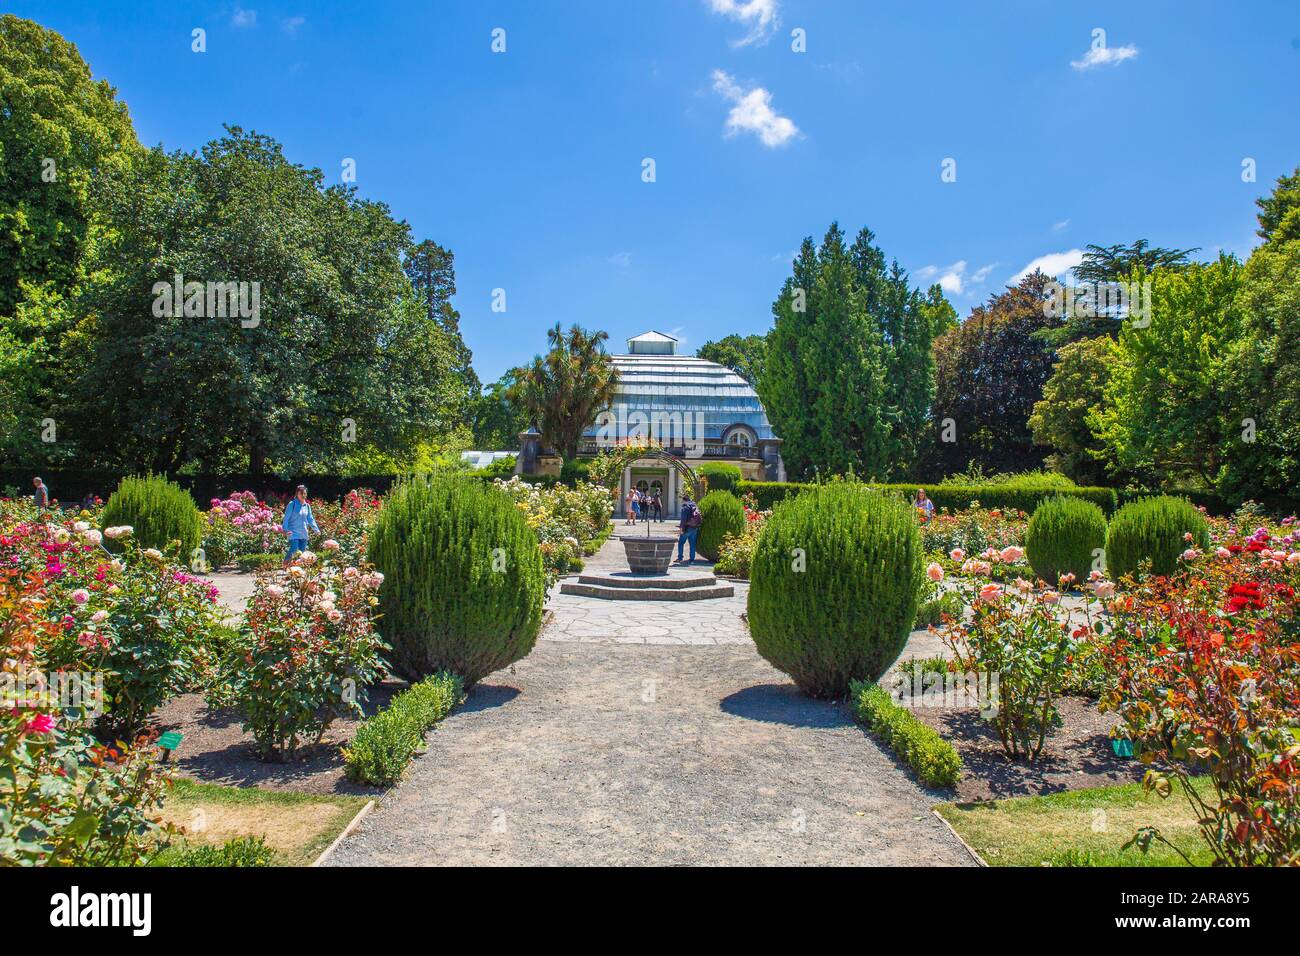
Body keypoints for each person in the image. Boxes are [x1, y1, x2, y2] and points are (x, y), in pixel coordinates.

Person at [282, 484, 320, 562]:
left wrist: (316, 530)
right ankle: (285, 564)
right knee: (294, 549)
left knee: (301, 553)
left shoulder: (307, 506)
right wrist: (285, 530)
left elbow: (310, 519)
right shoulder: (292, 504)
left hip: (303, 533)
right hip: (293, 532)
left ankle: (296, 569)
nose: (302, 495)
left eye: (304, 493)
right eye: (300, 493)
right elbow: (286, 518)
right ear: (297, 494)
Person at [677, 492, 702, 564]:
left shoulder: (685, 507)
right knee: (692, 544)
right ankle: (692, 560)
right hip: (694, 527)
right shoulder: (694, 505)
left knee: (681, 542)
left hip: (687, 528)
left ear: (683, 500)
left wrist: (681, 529)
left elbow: (683, 520)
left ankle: (680, 557)